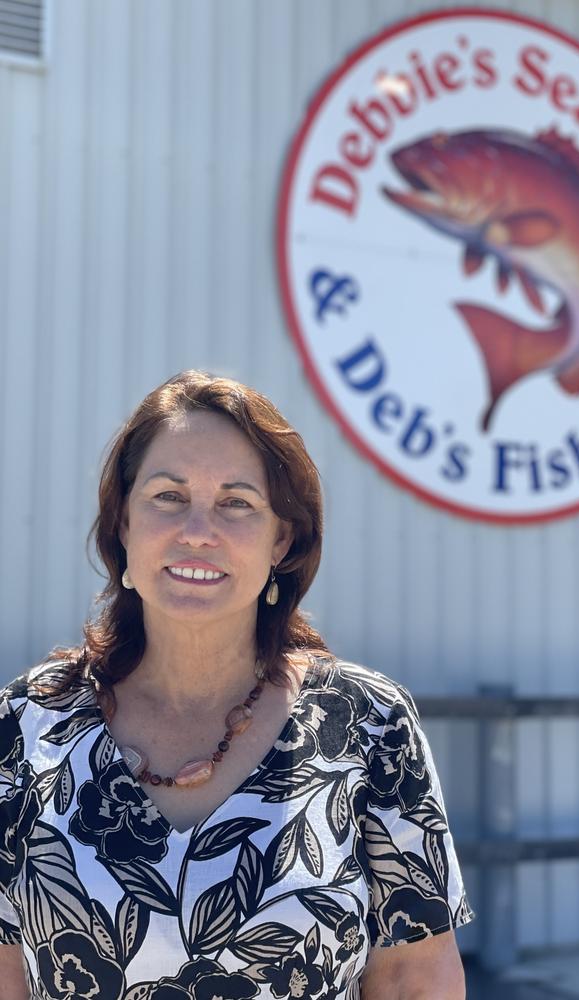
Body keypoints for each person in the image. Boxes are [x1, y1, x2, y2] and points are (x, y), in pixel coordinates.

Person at [0, 370, 473, 999]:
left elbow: (417, 979)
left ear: (281, 540)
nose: (198, 530)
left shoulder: (369, 724)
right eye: (167, 496)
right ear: (123, 525)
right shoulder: (29, 720)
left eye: (237, 502)